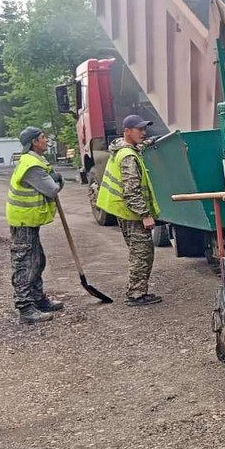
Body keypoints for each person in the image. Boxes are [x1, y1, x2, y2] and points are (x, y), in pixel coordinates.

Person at [96, 115, 163, 306]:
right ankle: (136, 295)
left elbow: (138, 146)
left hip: (123, 211)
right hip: (132, 213)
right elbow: (131, 192)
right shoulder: (128, 158)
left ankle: (137, 291)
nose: (143, 132)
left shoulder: (122, 148)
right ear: (127, 131)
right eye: (139, 129)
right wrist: (145, 215)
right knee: (141, 253)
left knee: (139, 251)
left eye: (144, 129)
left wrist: (150, 142)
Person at [6, 127, 66, 324]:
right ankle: (25, 308)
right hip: (23, 221)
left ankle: (38, 300)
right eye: (43, 138)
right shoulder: (31, 166)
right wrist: (58, 180)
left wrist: (55, 179)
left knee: (38, 260)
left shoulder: (35, 160)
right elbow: (51, 190)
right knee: (25, 264)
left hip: (29, 220)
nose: (46, 140)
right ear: (33, 142)